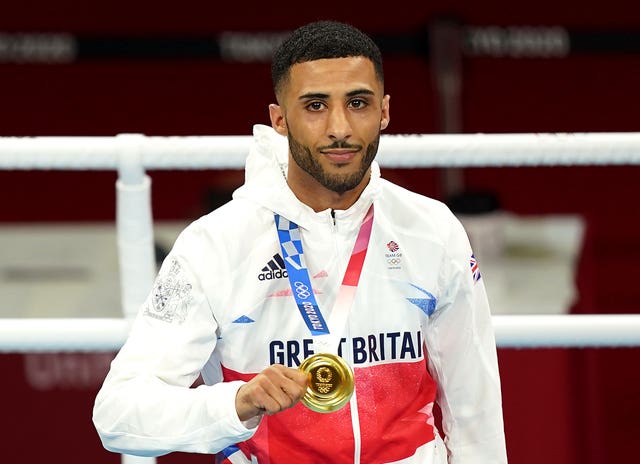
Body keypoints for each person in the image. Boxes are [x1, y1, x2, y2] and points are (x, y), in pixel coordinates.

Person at [93, 20, 508, 463]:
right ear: (279, 120)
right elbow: (118, 415)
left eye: (358, 102)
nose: (340, 127)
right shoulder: (213, 245)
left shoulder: (432, 229)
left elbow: (474, 409)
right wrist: (235, 404)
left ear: (384, 111)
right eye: (315, 105)